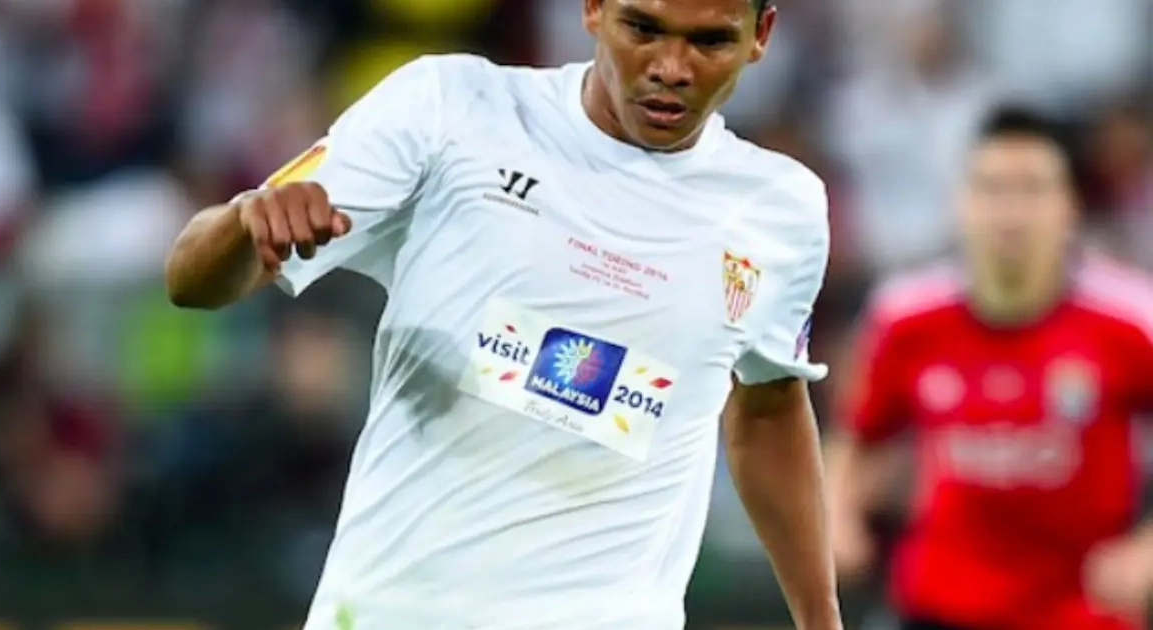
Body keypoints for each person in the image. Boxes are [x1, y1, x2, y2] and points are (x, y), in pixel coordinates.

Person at [164, 0, 843, 628]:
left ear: (761, 36)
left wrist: (821, 619)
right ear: (594, 8)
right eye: (643, 28)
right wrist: (244, 223)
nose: (671, 67)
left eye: (710, 41)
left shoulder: (780, 210)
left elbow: (769, 405)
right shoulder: (452, 108)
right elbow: (191, 280)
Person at [825, 107, 1153, 630]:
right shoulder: (906, 318)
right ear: (962, 203)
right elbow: (855, 435)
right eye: (992, 189)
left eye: (1032, 190)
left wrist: (1145, 551)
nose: (1011, 211)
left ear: (1070, 206)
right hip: (937, 606)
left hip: (1080, 611)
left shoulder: (1130, 320)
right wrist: (838, 518)